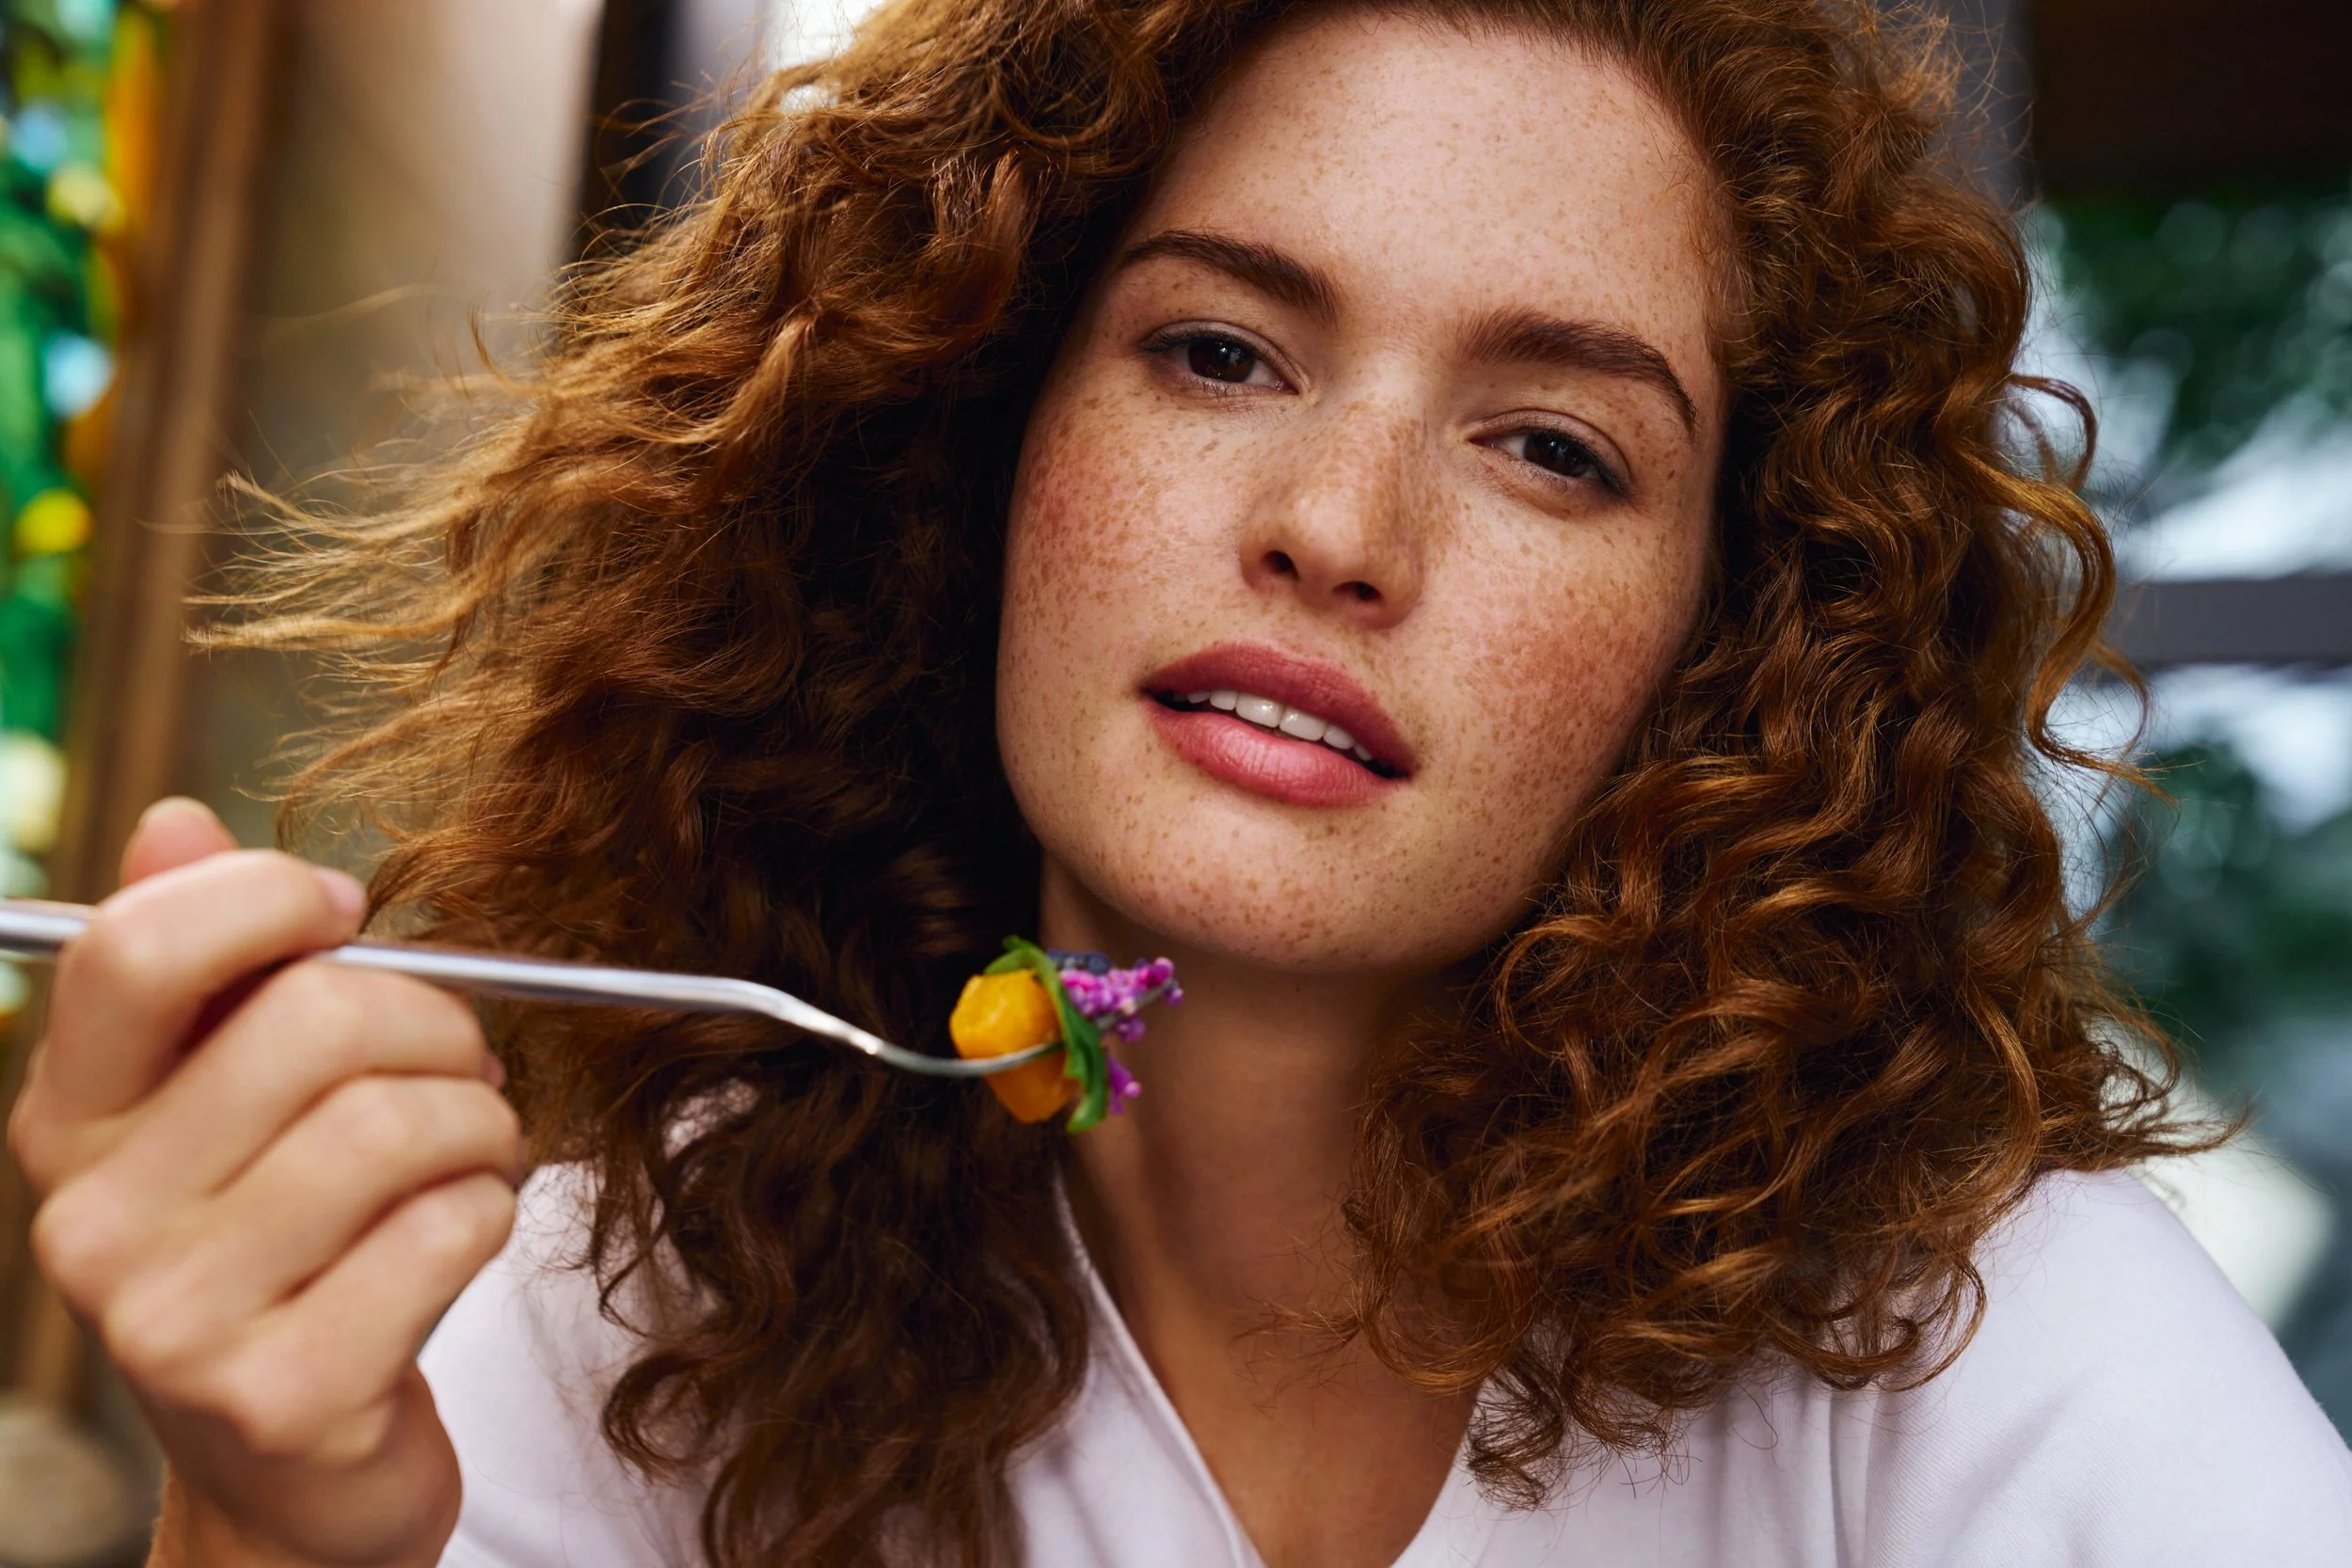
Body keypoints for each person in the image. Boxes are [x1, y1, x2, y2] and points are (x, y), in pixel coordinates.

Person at [11, 0, 2352, 1564]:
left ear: (1723, 645)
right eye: (1219, 350)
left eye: (1550, 447)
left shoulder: (1980, 1352)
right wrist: (268, 1528)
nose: (1335, 526)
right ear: (976, 440)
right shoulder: (620, 1306)